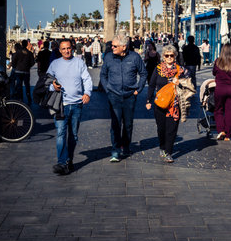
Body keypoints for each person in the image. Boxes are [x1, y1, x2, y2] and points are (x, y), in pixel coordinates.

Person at [46, 39, 92, 175]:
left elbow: (87, 79)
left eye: (68, 48)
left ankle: (69, 160)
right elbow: (46, 81)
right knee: (60, 133)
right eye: (63, 49)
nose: (66, 51)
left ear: (72, 48)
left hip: (77, 105)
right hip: (60, 105)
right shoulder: (55, 64)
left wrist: (87, 93)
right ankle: (61, 162)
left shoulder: (79, 63)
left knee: (73, 135)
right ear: (59, 51)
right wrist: (52, 86)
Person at [100, 34, 148, 162]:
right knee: (115, 124)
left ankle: (126, 147)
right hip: (113, 96)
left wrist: (139, 89)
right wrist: (107, 90)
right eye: (112, 45)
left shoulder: (135, 57)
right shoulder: (109, 57)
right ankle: (115, 151)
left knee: (128, 124)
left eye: (115, 46)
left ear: (124, 47)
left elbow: (143, 73)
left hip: (130, 96)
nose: (112, 47)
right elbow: (103, 75)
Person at [146, 45, 186, 163]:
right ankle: (162, 146)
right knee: (161, 128)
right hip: (160, 103)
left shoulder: (180, 70)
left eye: (171, 55)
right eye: (167, 55)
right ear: (163, 56)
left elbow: (187, 86)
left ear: (175, 56)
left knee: (172, 129)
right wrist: (148, 100)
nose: (169, 57)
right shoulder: (158, 69)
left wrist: (180, 83)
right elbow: (152, 85)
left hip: (174, 104)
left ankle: (168, 152)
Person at [213, 44, 231, 141]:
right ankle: (228, 135)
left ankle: (221, 130)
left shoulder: (218, 62)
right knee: (230, 111)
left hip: (220, 88)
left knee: (218, 109)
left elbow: (214, 73)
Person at [12, 39, 35, 104]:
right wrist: (28, 66)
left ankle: (20, 98)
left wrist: (15, 67)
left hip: (18, 71)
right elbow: (33, 62)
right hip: (26, 72)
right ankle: (28, 98)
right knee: (27, 85)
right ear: (27, 44)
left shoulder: (18, 52)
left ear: (22, 44)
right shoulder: (29, 53)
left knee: (19, 86)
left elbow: (14, 61)